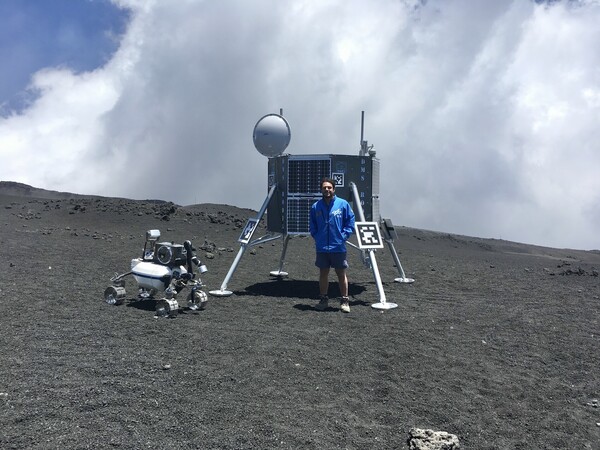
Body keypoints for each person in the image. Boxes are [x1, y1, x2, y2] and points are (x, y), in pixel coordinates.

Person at [309, 177, 356, 312]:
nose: (327, 190)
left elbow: (350, 221)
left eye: (329, 187)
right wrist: (316, 236)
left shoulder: (343, 204)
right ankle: (323, 300)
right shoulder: (316, 207)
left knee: (341, 273)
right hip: (322, 247)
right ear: (321, 190)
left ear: (334, 189)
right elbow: (312, 224)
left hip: (338, 247)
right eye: (324, 188)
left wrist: (343, 236)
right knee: (323, 273)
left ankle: (345, 301)